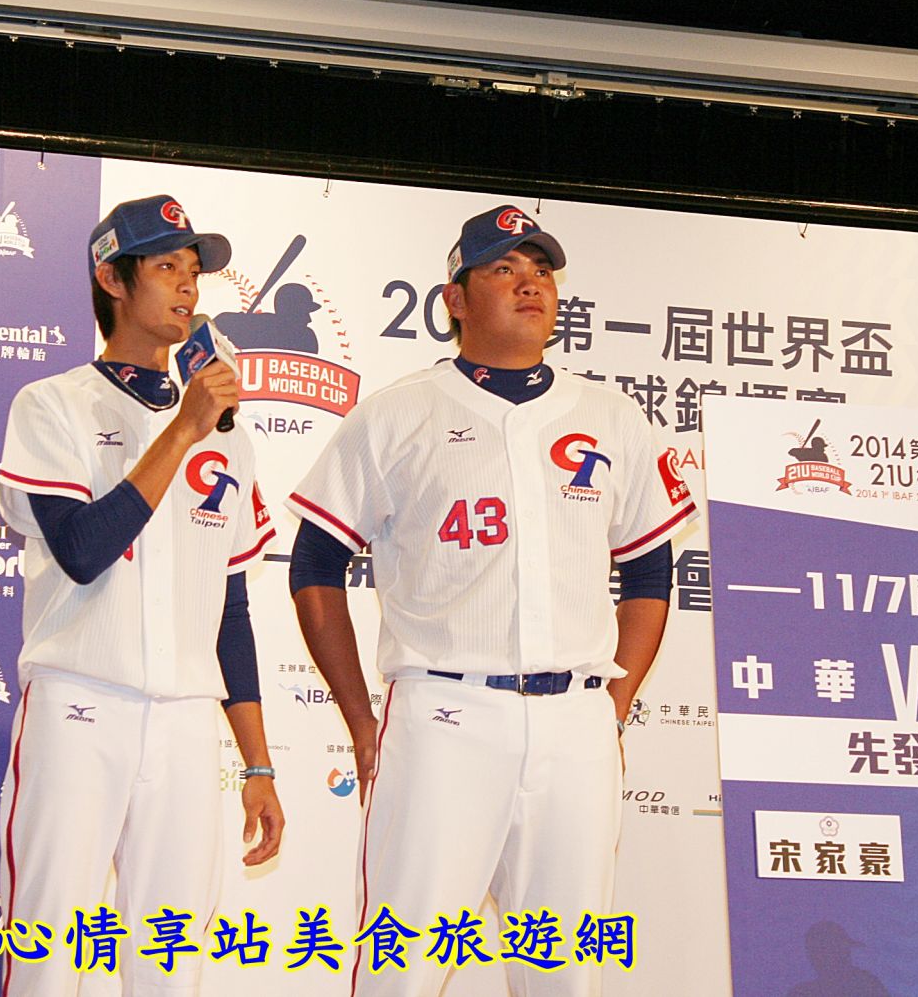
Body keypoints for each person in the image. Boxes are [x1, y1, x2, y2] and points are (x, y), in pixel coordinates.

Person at [287, 204, 694, 996]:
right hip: (446, 715)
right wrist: (361, 720)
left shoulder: (612, 417)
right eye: (504, 268)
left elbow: (650, 571)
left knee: (566, 972)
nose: (530, 283)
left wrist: (612, 708)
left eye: (541, 270)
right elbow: (315, 562)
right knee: (403, 967)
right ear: (455, 299)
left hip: (577, 721)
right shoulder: (398, 413)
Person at [0, 194, 284, 997]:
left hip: (187, 721)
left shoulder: (227, 436)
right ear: (112, 280)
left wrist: (258, 762)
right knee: (49, 955)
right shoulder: (52, 404)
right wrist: (183, 428)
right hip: (80, 706)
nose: (188, 286)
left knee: (171, 962)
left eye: (194, 271)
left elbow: (231, 610)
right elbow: (83, 551)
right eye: (166, 267)